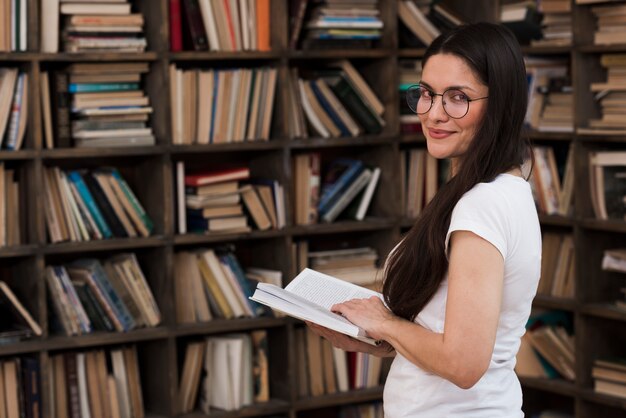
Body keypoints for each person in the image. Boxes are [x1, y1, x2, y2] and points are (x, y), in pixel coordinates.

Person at [307, 22, 541, 417]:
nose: (433, 114)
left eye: (457, 98)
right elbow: (442, 337)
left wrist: (384, 324)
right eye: (427, 94)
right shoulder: (496, 190)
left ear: (500, 103)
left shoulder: (482, 204)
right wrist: (370, 338)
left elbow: (464, 365)